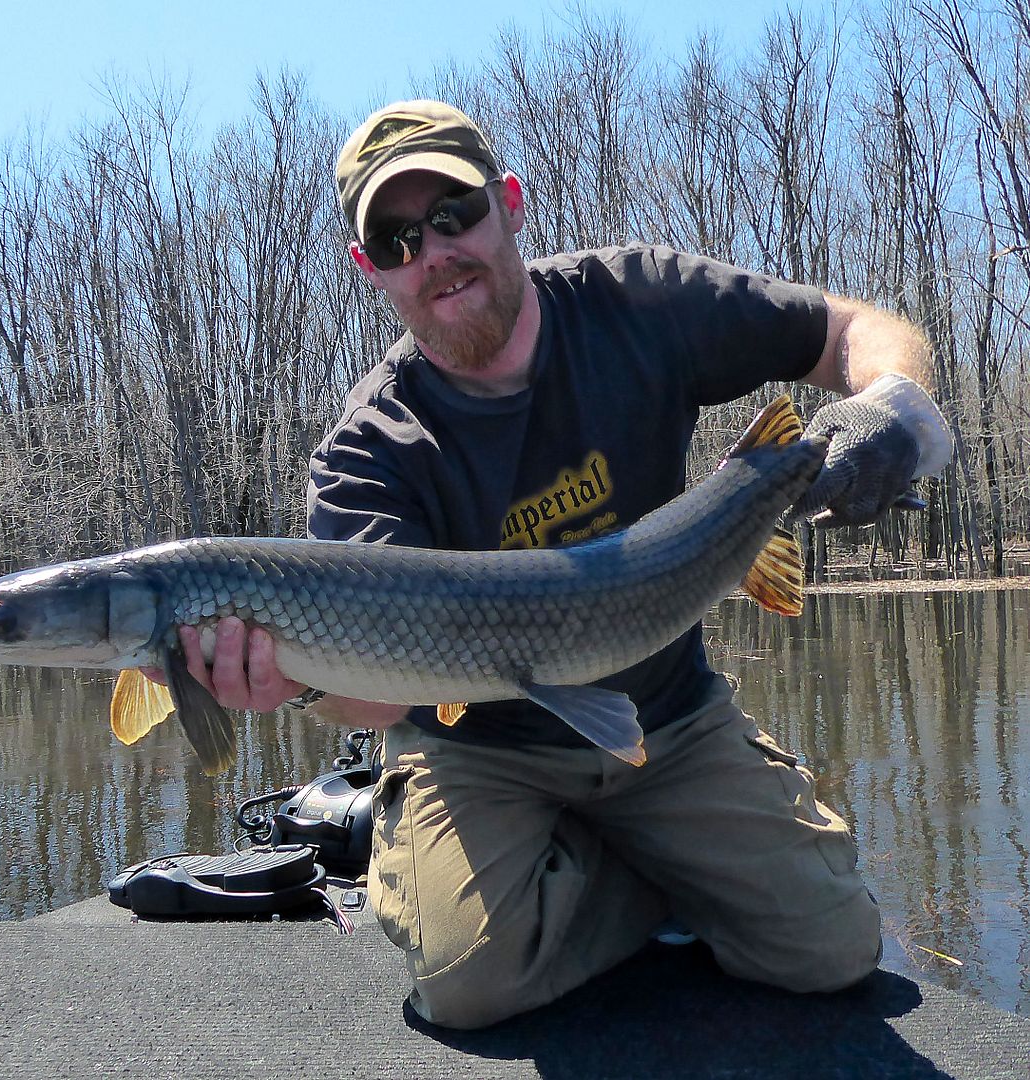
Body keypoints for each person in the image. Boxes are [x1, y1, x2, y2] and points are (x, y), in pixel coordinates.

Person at [167, 100, 953, 1029]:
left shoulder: (637, 300)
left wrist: (893, 409)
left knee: (831, 951)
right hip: (483, 753)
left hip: (668, 718)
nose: (434, 253)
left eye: (454, 214)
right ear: (369, 267)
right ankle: (647, 879)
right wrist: (294, 681)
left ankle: (623, 870)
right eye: (396, 241)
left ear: (508, 203)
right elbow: (379, 698)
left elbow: (853, 330)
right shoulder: (369, 451)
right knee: (468, 985)